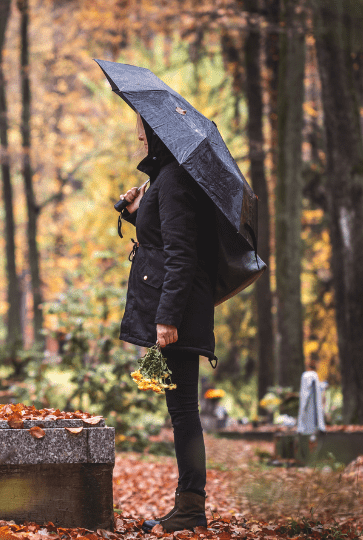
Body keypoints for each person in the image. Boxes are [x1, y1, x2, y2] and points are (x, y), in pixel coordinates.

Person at [118, 113, 218, 533]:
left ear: (158, 132)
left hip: (178, 313)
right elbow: (158, 238)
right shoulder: (164, 179)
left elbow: (182, 254)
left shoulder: (175, 180)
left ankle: (192, 507)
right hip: (175, 309)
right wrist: (131, 210)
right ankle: (189, 504)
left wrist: (166, 319)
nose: (139, 133)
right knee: (181, 411)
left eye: (143, 126)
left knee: (183, 413)